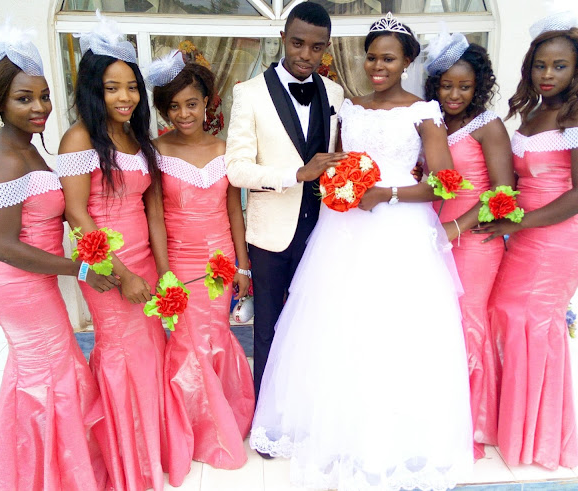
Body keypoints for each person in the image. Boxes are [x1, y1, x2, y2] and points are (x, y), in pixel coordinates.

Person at [249, 13, 473, 490]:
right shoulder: (349, 108)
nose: (377, 66)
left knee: (392, 330)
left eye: (388, 59)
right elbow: (336, 165)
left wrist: (386, 194)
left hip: (398, 231)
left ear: (407, 62)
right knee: (337, 325)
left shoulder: (423, 112)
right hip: (343, 230)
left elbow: (444, 183)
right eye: (372, 57)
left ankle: (388, 435)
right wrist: (341, 187)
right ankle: (338, 428)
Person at [0, 25, 116, 490]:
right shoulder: (4, 158)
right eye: (24, 99)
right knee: (48, 377)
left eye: (44, 96)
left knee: (42, 373)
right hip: (17, 287)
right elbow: (4, 246)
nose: (39, 107)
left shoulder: (25, 147)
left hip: (33, 282)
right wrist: (81, 268)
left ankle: (44, 470)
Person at [476, 11, 578, 470]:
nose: (547, 74)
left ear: (577, 69)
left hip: (559, 240)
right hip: (525, 235)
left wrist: (518, 224)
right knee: (504, 315)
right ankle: (512, 424)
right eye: (540, 65)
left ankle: (538, 439)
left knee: (532, 325)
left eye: (559, 66)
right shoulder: (530, 113)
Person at [56, 14, 171, 490]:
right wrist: (123, 275)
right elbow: (77, 214)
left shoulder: (136, 137)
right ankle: (126, 457)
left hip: (144, 263)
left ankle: (150, 447)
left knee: (150, 354)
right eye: (112, 88)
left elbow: (153, 210)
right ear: (92, 90)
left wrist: (163, 271)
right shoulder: (79, 138)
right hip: (109, 268)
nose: (126, 97)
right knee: (123, 356)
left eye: (132, 87)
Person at [225, 1, 346, 403]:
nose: (306, 55)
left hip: (322, 232)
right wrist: (296, 174)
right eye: (297, 43)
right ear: (282, 38)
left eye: (317, 47)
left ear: (326, 47)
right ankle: (267, 414)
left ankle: (306, 407)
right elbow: (237, 170)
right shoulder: (249, 94)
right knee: (268, 329)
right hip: (271, 237)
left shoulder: (334, 93)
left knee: (313, 326)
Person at [147, 52, 255, 480]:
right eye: (173, 106)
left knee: (216, 336)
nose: (183, 114)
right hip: (180, 261)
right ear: (163, 110)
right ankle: (196, 429)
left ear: (206, 103)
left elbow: (234, 212)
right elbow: (155, 216)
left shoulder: (224, 150)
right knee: (188, 344)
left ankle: (223, 417)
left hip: (221, 260)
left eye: (191, 103)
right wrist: (163, 272)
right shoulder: (156, 152)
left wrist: (243, 266)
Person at [424, 32, 514, 460]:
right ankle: (440, 416)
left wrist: (455, 229)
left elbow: (503, 193)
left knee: (468, 324)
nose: (454, 94)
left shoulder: (487, 125)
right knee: (439, 325)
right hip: (433, 236)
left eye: (464, 86)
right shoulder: (432, 123)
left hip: (473, 241)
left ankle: (473, 425)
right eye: (447, 86)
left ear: (478, 86)